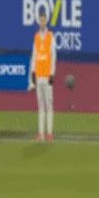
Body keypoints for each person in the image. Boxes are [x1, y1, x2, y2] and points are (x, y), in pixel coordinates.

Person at [30, 10, 56, 142]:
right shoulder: (36, 37)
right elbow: (34, 55)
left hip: (47, 76)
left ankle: (49, 133)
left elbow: (53, 56)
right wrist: (32, 72)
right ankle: (41, 134)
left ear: (47, 21)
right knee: (40, 106)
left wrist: (52, 73)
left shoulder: (51, 36)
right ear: (38, 21)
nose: (42, 22)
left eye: (44, 20)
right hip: (39, 75)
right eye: (41, 20)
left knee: (49, 105)